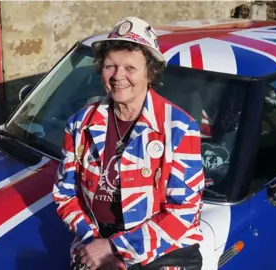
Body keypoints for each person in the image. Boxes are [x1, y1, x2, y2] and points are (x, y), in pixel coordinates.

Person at [52, 17, 205, 270]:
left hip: (161, 252)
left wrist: (117, 248)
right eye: (110, 66)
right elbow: (64, 194)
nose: (118, 76)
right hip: (95, 247)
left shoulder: (179, 128)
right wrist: (96, 245)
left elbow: (183, 212)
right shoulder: (79, 124)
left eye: (130, 68)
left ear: (151, 72)